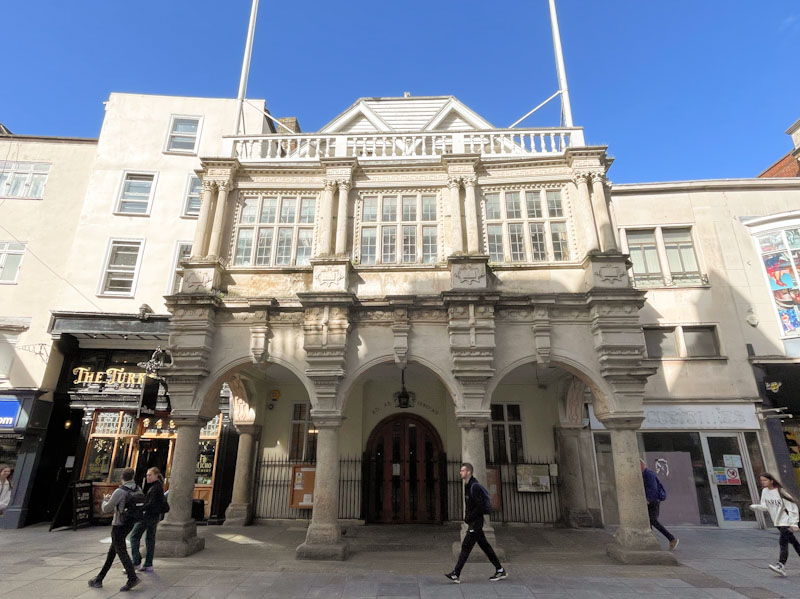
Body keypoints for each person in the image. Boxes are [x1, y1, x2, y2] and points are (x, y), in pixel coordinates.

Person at [445, 463, 507, 584]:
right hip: (474, 523)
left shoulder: (474, 487)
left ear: (468, 472)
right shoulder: (468, 485)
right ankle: (500, 569)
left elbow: (480, 507)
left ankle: (456, 573)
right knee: (486, 547)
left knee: (466, 547)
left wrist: (468, 518)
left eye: (462, 470)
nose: (460, 472)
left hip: (475, 524)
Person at [88, 468, 142, 591]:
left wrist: (105, 499)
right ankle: (99, 578)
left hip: (118, 524)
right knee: (112, 551)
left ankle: (132, 577)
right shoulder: (138, 488)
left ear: (122, 478)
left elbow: (106, 509)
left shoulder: (120, 491)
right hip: (130, 523)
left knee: (121, 551)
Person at [750, 472, 800, 577]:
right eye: (761, 480)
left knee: (783, 542)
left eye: (765, 480)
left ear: (771, 481)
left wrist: (794, 523)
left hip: (786, 521)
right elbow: (765, 506)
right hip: (777, 521)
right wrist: (755, 507)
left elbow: (792, 507)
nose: (763, 482)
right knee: (794, 543)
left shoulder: (780, 491)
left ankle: (781, 565)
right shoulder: (764, 491)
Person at [129, 467, 166, 573]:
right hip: (154, 516)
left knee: (134, 536)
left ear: (156, 475)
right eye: (147, 475)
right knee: (150, 539)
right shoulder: (157, 487)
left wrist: (141, 508)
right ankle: (148, 563)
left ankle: (136, 561)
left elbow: (151, 504)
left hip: (148, 516)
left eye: (150, 475)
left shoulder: (155, 488)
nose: (147, 477)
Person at [641, 459, 678, 551]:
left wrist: (648, 499)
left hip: (653, 501)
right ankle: (651, 541)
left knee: (653, 520)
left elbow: (653, 488)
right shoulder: (645, 474)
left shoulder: (648, 473)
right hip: (651, 500)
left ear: (641, 465)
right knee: (648, 521)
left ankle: (671, 538)